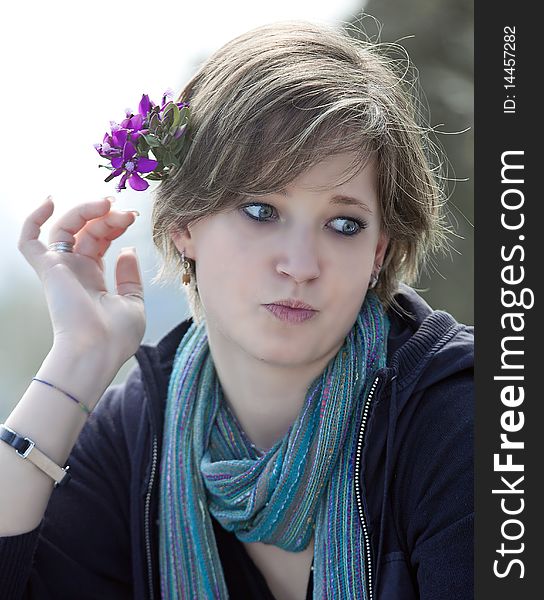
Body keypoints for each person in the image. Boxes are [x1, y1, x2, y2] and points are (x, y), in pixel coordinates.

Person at [0, 19, 473, 600]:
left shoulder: (463, 418)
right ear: (185, 225)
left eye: (343, 224)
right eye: (261, 210)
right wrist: (78, 359)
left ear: (377, 252)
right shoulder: (140, 433)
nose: (300, 264)